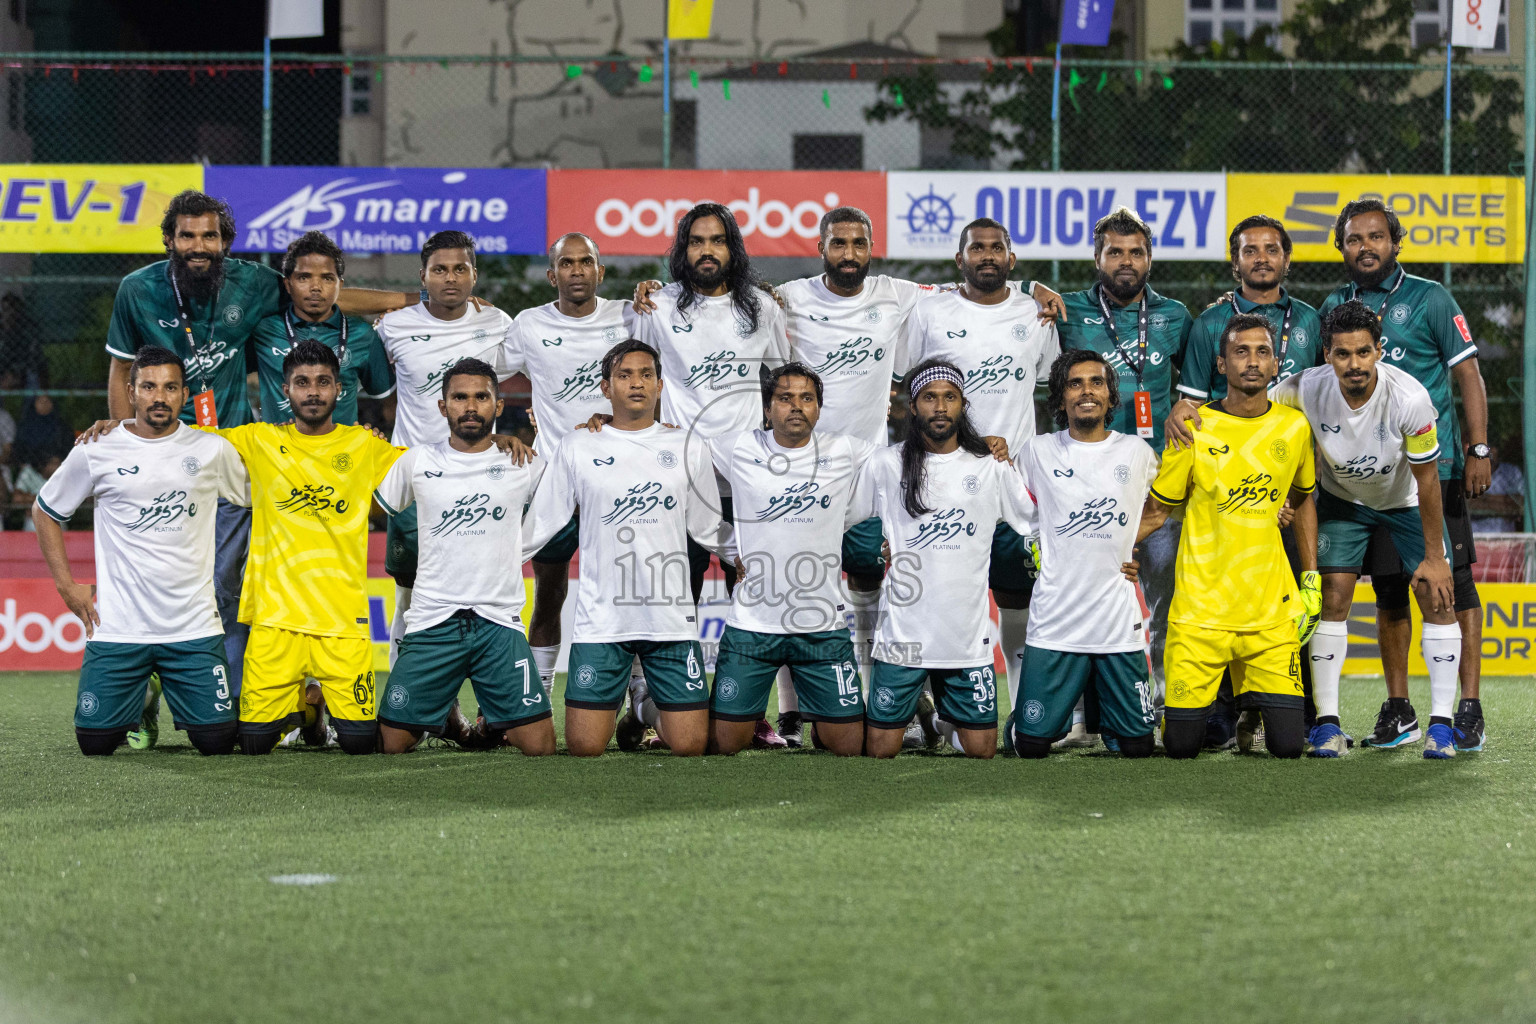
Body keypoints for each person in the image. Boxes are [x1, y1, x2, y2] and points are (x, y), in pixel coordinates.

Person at [102, 190, 410, 715]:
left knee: (232, 589)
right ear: (170, 240)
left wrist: (414, 301)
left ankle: (240, 699)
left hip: (232, 463)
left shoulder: (255, 284)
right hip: (163, 461)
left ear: (226, 241)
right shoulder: (137, 290)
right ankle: (141, 702)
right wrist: (123, 434)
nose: (199, 245)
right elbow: (120, 368)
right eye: (188, 235)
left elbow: (323, 297)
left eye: (210, 235)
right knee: (159, 582)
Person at [1317, 197, 1489, 752]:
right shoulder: (1332, 305)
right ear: (1341, 246)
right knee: (1389, 591)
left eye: (1375, 237)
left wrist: (1479, 446)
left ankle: (1467, 707)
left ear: (1394, 242)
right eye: (1353, 239)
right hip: (1367, 481)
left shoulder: (1430, 298)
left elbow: (1467, 372)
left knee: (1450, 584)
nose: (1364, 247)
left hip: (1431, 471)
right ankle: (1399, 707)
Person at [621, 202, 791, 748]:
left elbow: (782, 381)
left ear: (732, 248)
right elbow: (631, 372)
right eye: (696, 241)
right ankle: (654, 708)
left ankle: (749, 713)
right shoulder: (658, 304)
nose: (707, 250)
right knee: (676, 600)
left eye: (717, 240)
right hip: (677, 479)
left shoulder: (762, 308)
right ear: (682, 250)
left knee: (753, 602)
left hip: (746, 481)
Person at [34, 347, 247, 756]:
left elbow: (258, 497)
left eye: (169, 387)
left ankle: (165, 683)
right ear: (131, 392)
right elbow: (44, 511)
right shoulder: (98, 447)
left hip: (193, 627)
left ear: (185, 395)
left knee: (217, 742)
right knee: (94, 744)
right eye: (148, 386)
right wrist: (67, 586)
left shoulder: (210, 449)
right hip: (119, 627)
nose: (159, 397)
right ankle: (146, 697)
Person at [1273, 301, 1463, 758]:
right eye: (1342, 354)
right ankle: (1327, 725)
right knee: (1332, 594)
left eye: (1363, 352)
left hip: (1405, 503)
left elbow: (1429, 479)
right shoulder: (1300, 388)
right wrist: (1280, 493)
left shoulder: (1411, 399)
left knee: (1436, 595)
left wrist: (1436, 557)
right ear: (1326, 353)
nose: (1354, 364)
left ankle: (1441, 725)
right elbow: (1256, 417)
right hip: (1343, 502)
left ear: (1380, 350)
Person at [1165, 215, 1327, 748]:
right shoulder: (1211, 320)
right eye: (1249, 250)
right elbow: (1190, 403)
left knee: (1285, 608)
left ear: (1286, 258)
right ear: (1234, 261)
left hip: (1285, 465)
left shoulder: (1310, 318)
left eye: (1271, 249)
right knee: (1222, 590)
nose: (1261, 258)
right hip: (1223, 477)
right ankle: (1220, 711)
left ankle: (1287, 713)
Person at [522, 340, 729, 757]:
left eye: (646, 374)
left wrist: (750, 556)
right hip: (603, 619)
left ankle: (639, 712)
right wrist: (500, 559)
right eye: (625, 375)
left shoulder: (688, 445)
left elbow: (708, 526)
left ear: (660, 386)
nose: (637, 383)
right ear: (605, 387)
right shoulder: (578, 446)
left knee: (690, 746)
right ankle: (631, 702)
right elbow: (543, 521)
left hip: (669, 619)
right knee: (584, 747)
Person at [1136, 314, 1319, 760]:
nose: (1252, 361)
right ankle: (1225, 706)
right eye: (1241, 351)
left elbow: (1304, 498)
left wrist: (1310, 577)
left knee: (1288, 747)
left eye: (1262, 352)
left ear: (1276, 364)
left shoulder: (1295, 428)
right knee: (1180, 747)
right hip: (1201, 612)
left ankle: (1250, 710)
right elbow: (1159, 509)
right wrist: (1104, 554)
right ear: (1221, 364)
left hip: (1268, 612)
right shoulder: (1191, 428)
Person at [901, 218, 1059, 720]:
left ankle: (1021, 713)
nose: (986, 255)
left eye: (997, 248)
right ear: (959, 259)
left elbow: (1051, 392)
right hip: (942, 480)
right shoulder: (931, 311)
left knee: (1015, 595)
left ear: (1011, 260)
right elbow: (909, 385)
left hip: (1011, 486)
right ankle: (924, 708)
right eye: (976, 248)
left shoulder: (1036, 315)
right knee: (937, 594)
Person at [1052, 207, 1191, 747]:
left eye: (1136, 252)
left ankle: (1158, 710)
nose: (1126, 261)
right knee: (1088, 595)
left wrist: (1183, 402)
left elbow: (1200, 382)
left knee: (1164, 598)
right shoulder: (1067, 312)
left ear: (1150, 258)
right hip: (1088, 478)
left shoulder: (1177, 315)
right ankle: (1085, 722)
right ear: (1097, 258)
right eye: (1115, 251)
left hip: (1156, 482)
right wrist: (1038, 289)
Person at [849, 359, 1035, 759]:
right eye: (929, 397)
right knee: (879, 751)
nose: (939, 406)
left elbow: (1033, 521)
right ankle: (917, 704)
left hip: (966, 641)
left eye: (949, 397)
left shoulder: (989, 466)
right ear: (912, 406)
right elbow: (842, 517)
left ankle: (933, 721)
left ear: (961, 404)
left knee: (982, 751)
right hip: (903, 640)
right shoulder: (885, 464)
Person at [375, 358, 555, 757]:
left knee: (540, 748)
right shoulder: (416, 462)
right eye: (459, 397)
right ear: (443, 406)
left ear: (498, 405)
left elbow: (561, 506)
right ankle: (444, 717)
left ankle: (492, 720)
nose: (470, 406)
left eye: (481, 396)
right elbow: (378, 509)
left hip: (497, 622)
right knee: (392, 746)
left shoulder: (524, 463)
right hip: (432, 620)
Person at [706, 362, 872, 756]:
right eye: (784, 398)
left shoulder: (847, 450)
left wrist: (979, 444)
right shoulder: (737, 446)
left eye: (806, 399)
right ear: (767, 409)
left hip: (822, 627)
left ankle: (823, 723)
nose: (796, 406)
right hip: (752, 626)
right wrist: (729, 547)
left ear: (818, 408)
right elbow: (665, 454)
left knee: (849, 748)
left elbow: (912, 461)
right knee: (722, 745)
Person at [373, 231, 516, 667]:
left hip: (478, 480)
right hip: (414, 483)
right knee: (410, 597)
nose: (450, 278)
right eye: (440, 270)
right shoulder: (393, 326)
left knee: (482, 595)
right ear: (423, 276)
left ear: (475, 275)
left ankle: (483, 698)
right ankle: (408, 700)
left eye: (460, 269)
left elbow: (550, 380)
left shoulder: (499, 324)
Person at [1009, 350, 1158, 758]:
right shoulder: (1036, 452)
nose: (1086, 391)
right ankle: (1031, 715)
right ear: (1060, 399)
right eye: (1075, 384)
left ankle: (1108, 719)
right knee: (1032, 746)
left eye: (1097, 382)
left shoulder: (1137, 453)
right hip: (1057, 617)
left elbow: (1164, 508)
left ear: (1111, 397)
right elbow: (1009, 505)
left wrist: (1131, 543)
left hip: (1116, 618)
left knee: (1138, 748)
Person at [503, 232, 627, 700]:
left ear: (600, 271)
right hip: (555, 482)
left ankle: (636, 698)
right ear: (552, 274)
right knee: (549, 594)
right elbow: (476, 374)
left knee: (623, 595)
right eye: (567, 263)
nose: (577, 270)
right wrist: (497, 430)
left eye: (586, 261)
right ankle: (536, 695)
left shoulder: (628, 317)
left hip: (615, 482)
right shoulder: (529, 325)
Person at [250, 231, 395, 427]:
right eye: (304, 278)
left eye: (327, 278)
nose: (316, 287)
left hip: (340, 454)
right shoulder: (263, 330)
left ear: (339, 284)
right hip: (278, 454)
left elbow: (387, 400)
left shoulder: (363, 334)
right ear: (288, 283)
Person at [1472, 444, 1525, 533]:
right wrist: (1504, 500)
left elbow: (1520, 503)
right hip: (1476, 536)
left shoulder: (1512, 471)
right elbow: (1469, 503)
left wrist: (1484, 498)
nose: (1490, 452)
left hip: (1506, 539)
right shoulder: (1469, 471)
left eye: (1493, 447)